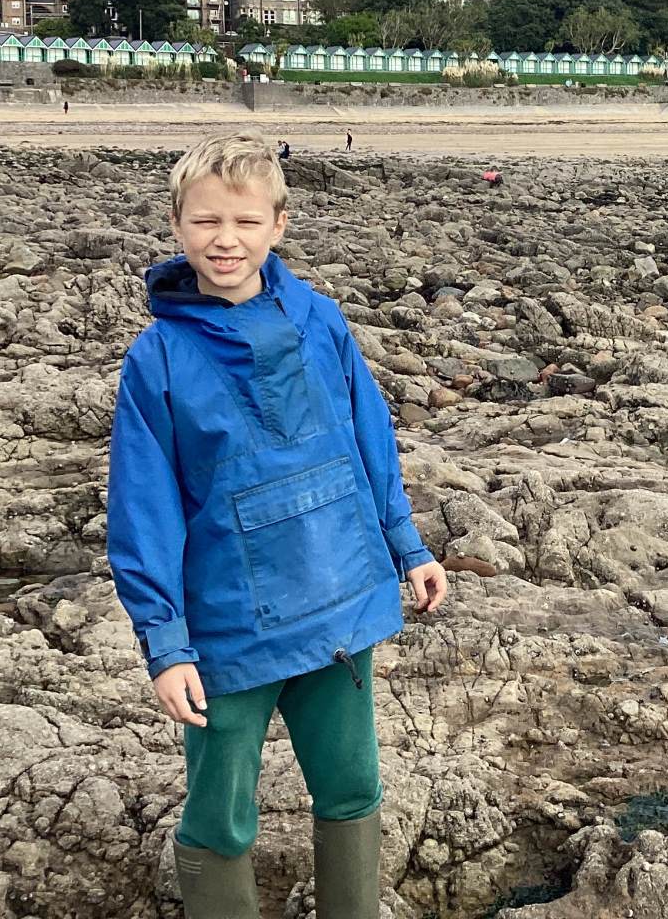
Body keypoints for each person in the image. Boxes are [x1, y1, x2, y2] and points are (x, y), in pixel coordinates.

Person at [107, 132, 447, 915]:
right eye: (205, 221)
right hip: (227, 629)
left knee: (352, 786)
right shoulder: (157, 359)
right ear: (176, 224)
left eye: (245, 221)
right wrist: (165, 643)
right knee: (219, 816)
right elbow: (143, 510)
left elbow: (368, 440)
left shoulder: (321, 320)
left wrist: (408, 544)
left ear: (279, 225)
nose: (225, 239)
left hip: (340, 600)